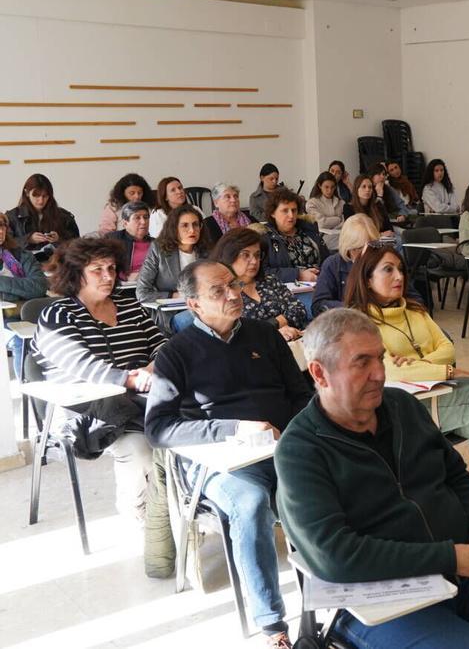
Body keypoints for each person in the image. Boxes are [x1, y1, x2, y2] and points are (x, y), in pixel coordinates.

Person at [275, 308, 469, 649]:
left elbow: (457, 475)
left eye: (380, 358)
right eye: (362, 362)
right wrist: (452, 557)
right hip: (378, 596)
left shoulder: (402, 406)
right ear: (319, 373)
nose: (379, 374)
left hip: (464, 564)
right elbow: (334, 555)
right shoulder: (301, 449)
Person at [145, 260, 311, 648]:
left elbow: (300, 395)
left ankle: (333, 600)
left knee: (329, 483)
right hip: (222, 463)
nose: (234, 294)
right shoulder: (176, 353)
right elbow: (159, 429)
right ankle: (273, 626)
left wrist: (300, 434)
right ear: (194, 305)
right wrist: (234, 428)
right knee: (251, 503)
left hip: (280, 447)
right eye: (218, 291)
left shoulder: (265, 336)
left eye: (234, 285)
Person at [343, 245, 469, 548]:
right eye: (388, 269)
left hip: (442, 399)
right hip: (402, 411)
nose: (399, 276)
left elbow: (449, 348)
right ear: (366, 277)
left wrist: (418, 365)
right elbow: (386, 370)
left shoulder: (414, 309)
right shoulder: (359, 321)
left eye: (400, 269)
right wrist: (445, 372)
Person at [33, 238, 163, 523]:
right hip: (89, 411)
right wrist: (130, 379)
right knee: (140, 450)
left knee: (184, 436)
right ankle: (138, 516)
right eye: (97, 270)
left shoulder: (129, 307)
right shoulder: (57, 315)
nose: (108, 276)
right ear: (75, 273)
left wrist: (153, 368)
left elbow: (162, 343)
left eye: (112, 268)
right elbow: (81, 365)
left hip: (141, 399)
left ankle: (175, 512)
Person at [214, 228, 308, 341]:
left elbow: (299, 310)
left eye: (257, 255)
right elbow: (236, 333)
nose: (254, 261)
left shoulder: (270, 280)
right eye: (246, 255)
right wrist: (274, 330)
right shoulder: (224, 293)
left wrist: (276, 327)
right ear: (229, 255)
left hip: (294, 340)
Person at [136, 205, 210, 332]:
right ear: (174, 228)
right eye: (185, 225)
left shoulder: (206, 251)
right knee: (201, 317)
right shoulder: (158, 250)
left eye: (195, 225)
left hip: (202, 307)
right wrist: (174, 295)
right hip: (171, 315)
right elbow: (142, 293)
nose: (192, 230)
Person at [0, 210, 48, 378]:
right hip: (5, 320)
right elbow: (30, 287)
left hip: (23, 317)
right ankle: (25, 387)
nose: (0, 231)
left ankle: (34, 387)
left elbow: (39, 286)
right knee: (21, 340)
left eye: (1, 226)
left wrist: (2, 283)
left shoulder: (21, 255)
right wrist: (21, 290)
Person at [7, 173, 80, 262]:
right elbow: (4, 244)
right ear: (26, 192)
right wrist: (28, 239)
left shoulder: (64, 216)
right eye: (36, 195)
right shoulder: (12, 217)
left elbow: (77, 244)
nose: (41, 200)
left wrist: (58, 240)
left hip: (57, 264)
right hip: (24, 266)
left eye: (45, 196)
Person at [262, 189, 326, 284]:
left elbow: (328, 259)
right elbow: (263, 272)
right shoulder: (265, 237)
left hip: (320, 282)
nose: (291, 215)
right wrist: (298, 275)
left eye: (294, 210)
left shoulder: (309, 230)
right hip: (288, 288)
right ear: (273, 213)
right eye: (285, 211)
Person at [106, 201, 153, 280]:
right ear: (125, 223)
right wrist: (126, 277)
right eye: (137, 218)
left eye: (146, 217)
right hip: (126, 287)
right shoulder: (113, 239)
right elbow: (105, 267)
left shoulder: (156, 243)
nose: (143, 222)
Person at [305, 172, 344, 251]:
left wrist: (329, 221)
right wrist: (338, 219)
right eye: (326, 187)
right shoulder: (312, 203)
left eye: (332, 187)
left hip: (342, 235)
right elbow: (321, 223)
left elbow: (346, 223)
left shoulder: (341, 202)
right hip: (323, 239)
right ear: (319, 186)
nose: (329, 190)